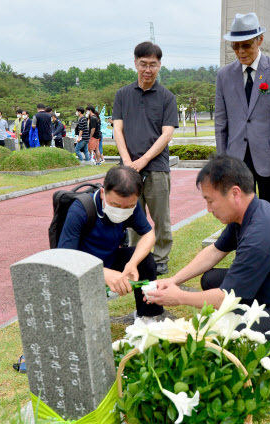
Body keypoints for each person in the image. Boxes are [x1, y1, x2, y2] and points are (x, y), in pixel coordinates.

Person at [148, 156, 270, 382]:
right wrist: (174, 281)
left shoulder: (261, 233)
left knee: (229, 340)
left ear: (235, 193)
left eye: (210, 201)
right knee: (210, 280)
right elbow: (214, 251)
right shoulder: (249, 212)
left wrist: (179, 297)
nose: (208, 209)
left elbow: (224, 297)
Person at [58, 165, 164, 320]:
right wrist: (102, 273)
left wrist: (132, 263)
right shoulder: (80, 210)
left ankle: (148, 318)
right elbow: (65, 257)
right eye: (115, 205)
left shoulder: (131, 206)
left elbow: (148, 234)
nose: (122, 210)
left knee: (145, 261)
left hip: (110, 258)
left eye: (129, 206)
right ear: (102, 193)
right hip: (81, 268)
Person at [215, 12, 270, 212]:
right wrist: (223, 161)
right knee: (240, 214)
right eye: (235, 46)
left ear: (260, 40)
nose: (240, 51)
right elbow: (221, 122)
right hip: (236, 160)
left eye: (246, 45)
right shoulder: (224, 75)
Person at [113, 41, 178, 276]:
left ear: (160, 65)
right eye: (143, 64)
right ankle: (134, 256)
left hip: (157, 167)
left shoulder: (167, 97)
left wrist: (143, 161)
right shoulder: (122, 95)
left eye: (153, 64)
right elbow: (117, 129)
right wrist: (128, 162)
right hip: (127, 169)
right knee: (129, 216)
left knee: (161, 216)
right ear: (135, 64)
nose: (148, 69)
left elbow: (167, 134)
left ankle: (161, 257)